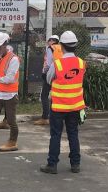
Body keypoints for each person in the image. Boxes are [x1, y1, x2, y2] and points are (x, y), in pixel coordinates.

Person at [40, 30, 86, 174]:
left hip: (59, 106)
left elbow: (48, 79)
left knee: (56, 135)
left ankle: (52, 165)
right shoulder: (81, 63)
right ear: (75, 45)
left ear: (62, 46)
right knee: (73, 134)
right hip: (75, 106)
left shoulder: (58, 64)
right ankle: (75, 164)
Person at [33, 34, 63, 126]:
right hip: (59, 75)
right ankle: (54, 117)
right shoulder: (61, 49)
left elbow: (49, 63)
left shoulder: (50, 48)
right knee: (54, 96)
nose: (48, 42)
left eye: (49, 40)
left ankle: (45, 118)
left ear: (52, 40)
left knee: (44, 96)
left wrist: (44, 73)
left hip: (50, 75)